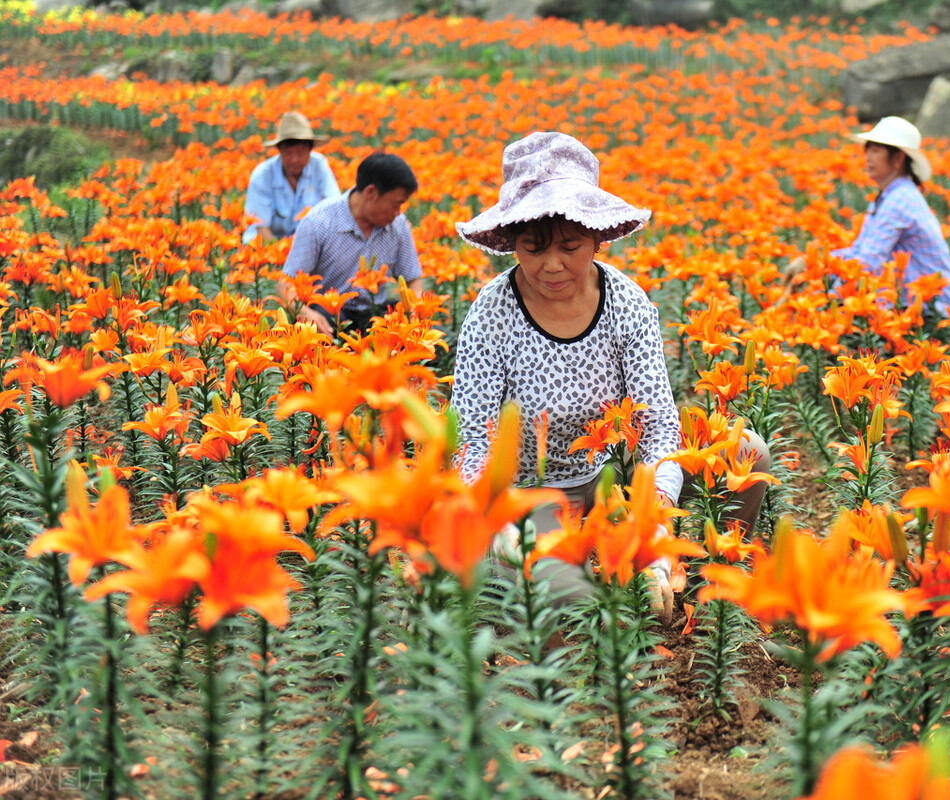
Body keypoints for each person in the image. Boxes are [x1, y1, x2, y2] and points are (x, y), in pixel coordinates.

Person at [452, 131, 769, 621]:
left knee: (749, 452)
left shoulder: (626, 302)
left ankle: (701, 583)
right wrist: (498, 521)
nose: (552, 265)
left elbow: (660, 425)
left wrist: (656, 520)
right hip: (534, 494)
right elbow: (472, 436)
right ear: (512, 243)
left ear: (597, 238)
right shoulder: (492, 312)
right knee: (580, 610)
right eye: (533, 250)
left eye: (571, 246)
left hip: (615, 478)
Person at [785, 116, 950, 314]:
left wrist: (818, 276)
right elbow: (859, 251)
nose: (868, 157)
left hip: (931, 309)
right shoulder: (888, 196)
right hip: (910, 304)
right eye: (867, 149)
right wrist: (811, 261)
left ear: (898, 158)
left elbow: (868, 262)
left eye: (876, 150)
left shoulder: (900, 199)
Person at [278, 152, 423, 336]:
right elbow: (285, 284)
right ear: (371, 192)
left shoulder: (398, 224)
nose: (398, 212)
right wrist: (307, 314)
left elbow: (413, 278)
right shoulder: (319, 222)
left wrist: (413, 310)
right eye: (396, 204)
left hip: (375, 312)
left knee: (426, 335)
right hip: (331, 313)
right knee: (318, 328)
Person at [243, 111, 341, 245]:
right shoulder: (262, 175)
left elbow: (335, 211)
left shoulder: (319, 166)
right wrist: (283, 255)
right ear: (279, 151)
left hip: (307, 246)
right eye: (288, 154)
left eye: (301, 153)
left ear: (310, 150)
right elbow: (261, 229)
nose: (294, 160)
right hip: (267, 246)